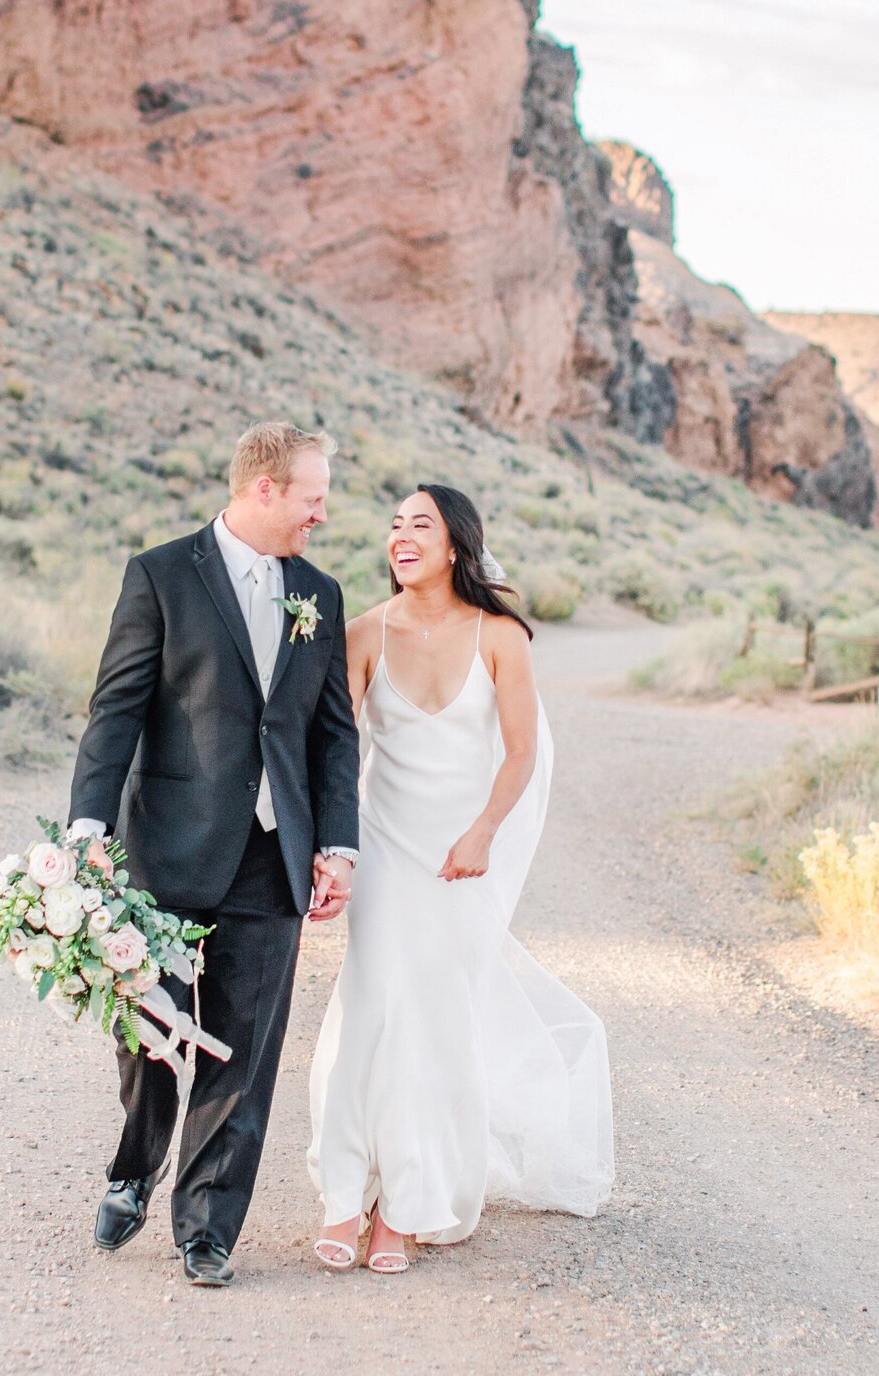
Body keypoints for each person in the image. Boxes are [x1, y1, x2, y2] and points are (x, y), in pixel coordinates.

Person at [68, 422, 359, 1286]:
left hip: (273, 856)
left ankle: (208, 1227)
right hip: (165, 848)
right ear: (263, 489)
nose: (321, 515)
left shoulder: (320, 593)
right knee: (149, 1035)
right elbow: (114, 712)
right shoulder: (160, 574)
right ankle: (136, 1166)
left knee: (246, 1047)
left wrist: (336, 842)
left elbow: (332, 733)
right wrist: (88, 830)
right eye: (313, 498)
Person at [308, 483, 613, 1273]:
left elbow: (521, 753)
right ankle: (346, 1194)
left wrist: (482, 833)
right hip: (383, 847)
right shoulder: (364, 632)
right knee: (373, 1010)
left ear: (455, 546)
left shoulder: (501, 636)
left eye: (421, 525)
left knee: (435, 1023)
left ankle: (405, 1208)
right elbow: (338, 757)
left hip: (461, 859)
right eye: (394, 525)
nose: (401, 536)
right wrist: (331, 851)